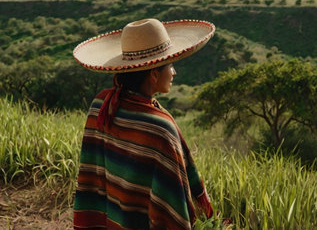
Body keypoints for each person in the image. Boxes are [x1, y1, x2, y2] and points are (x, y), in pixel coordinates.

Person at [72, 18, 215, 229]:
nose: (174, 72)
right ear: (154, 74)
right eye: (171, 65)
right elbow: (171, 201)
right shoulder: (160, 128)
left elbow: (92, 177)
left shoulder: (101, 105)